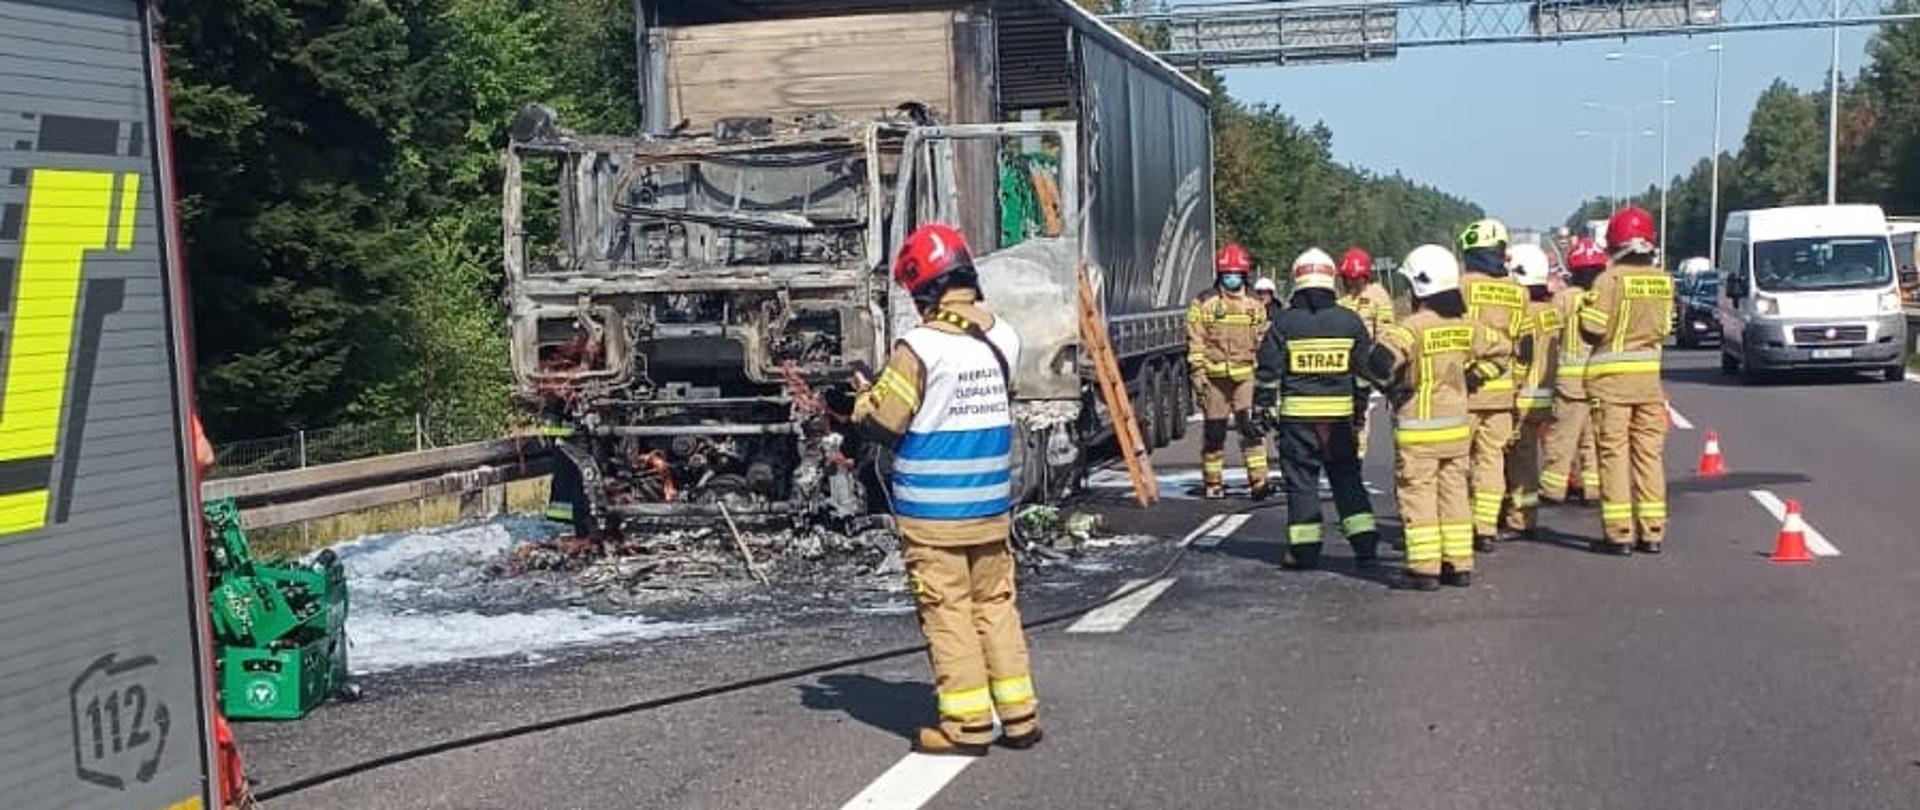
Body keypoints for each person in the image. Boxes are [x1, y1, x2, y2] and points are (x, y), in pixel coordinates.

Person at [852, 222, 1040, 755]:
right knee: (996, 605)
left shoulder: (919, 346)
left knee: (948, 612)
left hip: (934, 514)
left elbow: (886, 423)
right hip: (991, 504)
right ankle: (1020, 716)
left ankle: (967, 725)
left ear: (924, 288)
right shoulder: (1004, 336)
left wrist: (863, 399)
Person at [1369, 245, 1511, 590]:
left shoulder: (1411, 328)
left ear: (1418, 287)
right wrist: (1474, 377)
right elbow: (1504, 350)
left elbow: (1378, 362)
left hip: (1419, 430)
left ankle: (1425, 569)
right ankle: (1459, 564)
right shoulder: (1467, 327)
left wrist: (1393, 385)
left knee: (1419, 497)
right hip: (1457, 430)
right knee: (1454, 495)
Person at [1255, 249, 1379, 570]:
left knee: (1302, 484)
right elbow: (1364, 375)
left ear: (1297, 279)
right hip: (1338, 421)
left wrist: (1263, 407)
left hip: (1297, 422)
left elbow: (1268, 372)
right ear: (1330, 280)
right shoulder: (1349, 321)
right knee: (1347, 480)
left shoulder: (1284, 322)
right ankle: (1366, 545)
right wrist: (1359, 410)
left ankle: (1304, 551)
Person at [1578, 206, 1674, 555]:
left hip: (1611, 384)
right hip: (1648, 383)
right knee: (1649, 455)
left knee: (1614, 455)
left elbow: (1592, 329)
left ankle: (1619, 534)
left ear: (1615, 242)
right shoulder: (1663, 280)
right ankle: (1653, 531)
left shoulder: (1609, 281)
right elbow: (1666, 328)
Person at [1456, 219, 1524, 552]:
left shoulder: (1461, 286)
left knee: (1456, 462)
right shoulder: (1518, 291)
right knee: (1491, 460)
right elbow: (1523, 345)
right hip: (1502, 392)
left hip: (1465, 389)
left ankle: (1457, 527)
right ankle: (1485, 529)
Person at [1188, 243, 1271, 500]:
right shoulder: (1205, 302)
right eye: (1227, 274)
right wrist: (1197, 372)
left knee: (1251, 429)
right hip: (1214, 379)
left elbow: (1263, 339)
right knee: (1214, 432)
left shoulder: (1255, 304)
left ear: (1244, 275)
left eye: (1235, 274)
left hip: (1245, 377)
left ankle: (1259, 481)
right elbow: (1195, 339)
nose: (1231, 278)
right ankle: (1213, 483)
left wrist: (1265, 376)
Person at [1540, 238, 1605, 504]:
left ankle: (1553, 489)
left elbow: (1548, 332)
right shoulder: (1605, 298)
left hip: (1571, 385)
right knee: (1592, 439)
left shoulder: (1565, 299)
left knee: (1562, 440)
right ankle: (1593, 489)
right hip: (1601, 382)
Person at [1501, 243, 1559, 539]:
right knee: (1524, 458)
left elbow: (1519, 355)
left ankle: (1521, 519)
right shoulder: (1551, 311)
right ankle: (1518, 513)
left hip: (1522, 397)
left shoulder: (1524, 312)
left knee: (1520, 461)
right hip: (1542, 396)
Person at [1337, 247, 1395, 463]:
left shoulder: (1378, 296)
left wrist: (1381, 364)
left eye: (1355, 278)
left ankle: (1359, 453)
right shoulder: (1342, 300)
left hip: (1367, 362)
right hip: (1343, 363)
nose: (1351, 283)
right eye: (1347, 278)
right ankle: (1346, 446)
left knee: (1361, 409)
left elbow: (1385, 332)